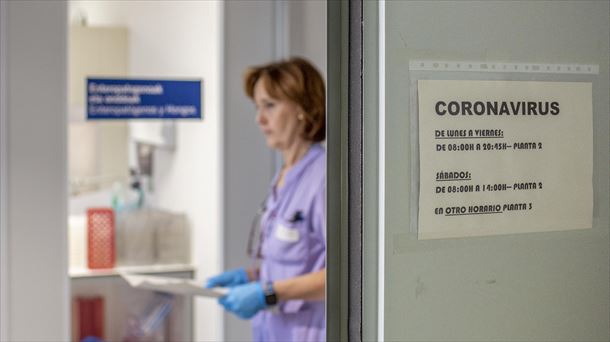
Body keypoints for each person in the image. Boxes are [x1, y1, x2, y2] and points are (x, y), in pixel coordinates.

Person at [206, 57, 326, 342]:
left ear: (303, 108)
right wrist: (252, 277)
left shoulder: (323, 178)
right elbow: (300, 260)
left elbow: (346, 273)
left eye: (270, 105)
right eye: (258, 107)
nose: (259, 119)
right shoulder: (284, 175)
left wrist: (269, 292)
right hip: (273, 332)